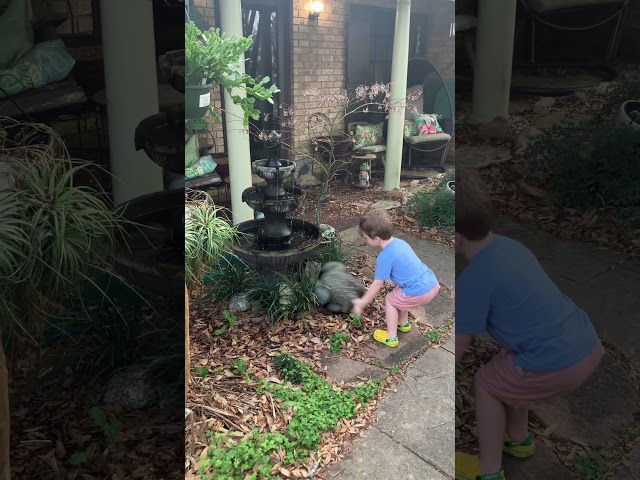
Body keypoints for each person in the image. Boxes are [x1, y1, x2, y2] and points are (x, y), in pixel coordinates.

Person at [454, 168, 604, 480]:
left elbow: (459, 345)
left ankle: (489, 470)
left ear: (454, 238)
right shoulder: (511, 246)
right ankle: (519, 440)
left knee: (487, 384)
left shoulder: (473, 280)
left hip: (556, 362)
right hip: (584, 342)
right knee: (509, 366)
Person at [351, 209, 440, 347]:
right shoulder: (400, 243)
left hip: (419, 291)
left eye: (366, 237)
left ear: (376, 239)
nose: (365, 240)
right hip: (431, 283)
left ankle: (391, 337)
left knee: (391, 300)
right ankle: (403, 324)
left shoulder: (384, 257)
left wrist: (362, 303)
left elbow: (377, 284)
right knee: (401, 292)